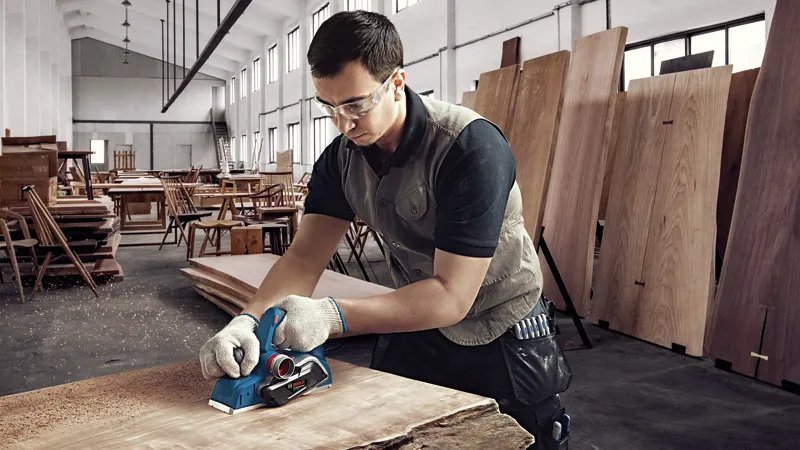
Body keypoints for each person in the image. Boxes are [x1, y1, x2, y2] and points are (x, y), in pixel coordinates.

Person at [199, 10, 572, 449]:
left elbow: (453, 295)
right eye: (329, 107)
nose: (342, 124)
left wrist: (332, 315)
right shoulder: (340, 159)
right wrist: (249, 318)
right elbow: (303, 258)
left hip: (500, 332)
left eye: (356, 105)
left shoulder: (470, 148)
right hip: (413, 319)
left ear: (396, 83)